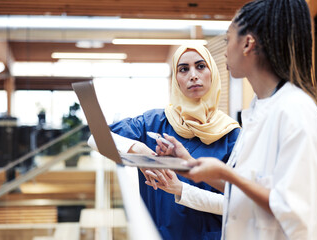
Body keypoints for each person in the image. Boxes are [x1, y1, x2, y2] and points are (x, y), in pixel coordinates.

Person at [154, 0, 317, 239]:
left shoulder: (296, 111)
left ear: (248, 44)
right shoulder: (259, 109)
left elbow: (295, 210)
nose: (225, 49)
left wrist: (226, 173)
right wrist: (190, 163)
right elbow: (241, 193)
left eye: (228, 39)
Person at [89, 44, 240, 239]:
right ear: (175, 79)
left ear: (212, 72)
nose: (193, 75)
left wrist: (182, 190)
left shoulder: (230, 134)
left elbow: (237, 202)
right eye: (183, 69)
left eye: (201, 66)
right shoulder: (153, 122)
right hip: (159, 233)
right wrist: (139, 149)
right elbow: (96, 138)